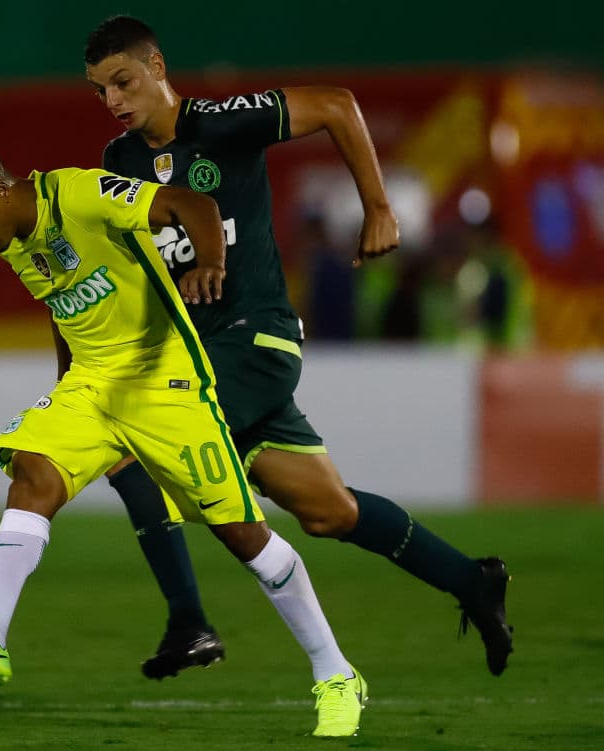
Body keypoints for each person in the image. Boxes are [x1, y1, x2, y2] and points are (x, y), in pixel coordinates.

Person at [83, 15, 512, 680]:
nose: (112, 100)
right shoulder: (120, 163)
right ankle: (471, 580)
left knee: (134, 447)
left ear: (157, 67)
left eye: (122, 81)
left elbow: (337, 104)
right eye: (100, 90)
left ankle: (188, 622)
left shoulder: (222, 122)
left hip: (255, 340)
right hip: (201, 359)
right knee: (328, 511)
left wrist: (378, 207)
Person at [0, 148, 368, 737]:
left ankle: (335, 673)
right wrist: (65, 383)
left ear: (0, 191)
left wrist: (210, 262)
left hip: (165, 382)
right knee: (32, 474)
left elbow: (193, 204)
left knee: (244, 535)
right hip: (92, 386)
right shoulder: (13, 240)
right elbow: (63, 307)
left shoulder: (80, 194)